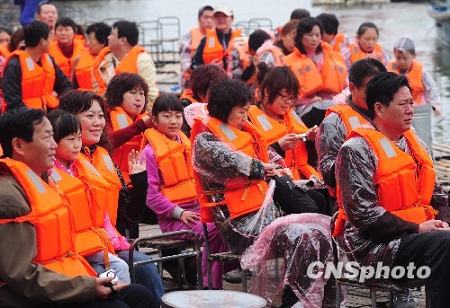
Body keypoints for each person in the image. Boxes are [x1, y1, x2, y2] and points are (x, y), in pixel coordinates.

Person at [191, 79, 334, 307]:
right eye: (241, 112)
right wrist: (262, 168)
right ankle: (295, 298)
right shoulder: (205, 141)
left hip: (266, 210)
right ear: (224, 110)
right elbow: (234, 160)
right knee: (299, 235)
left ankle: (309, 297)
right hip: (239, 223)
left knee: (315, 231)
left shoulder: (247, 132)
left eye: (247, 111)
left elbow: (270, 155)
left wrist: (281, 168)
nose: (245, 117)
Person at [0, 107, 154, 308]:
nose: (54, 145)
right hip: (28, 295)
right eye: (47, 138)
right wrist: (88, 287)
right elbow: (21, 275)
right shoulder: (9, 196)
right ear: (19, 145)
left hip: (62, 279)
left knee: (139, 295)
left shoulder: (43, 181)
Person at [334, 72, 450, 308]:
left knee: (445, 237)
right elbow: (365, 216)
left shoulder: (413, 143)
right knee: (445, 244)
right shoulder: (356, 149)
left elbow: (437, 195)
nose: (411, 109)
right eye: (403, 104)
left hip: (415, 233)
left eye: (411, 102)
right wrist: (418, 228)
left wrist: (444, 221)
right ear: (379, 108)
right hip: (373, 246)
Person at [59, 90, 164, 303]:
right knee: (136, 270)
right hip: (83, 252)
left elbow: (129, 216)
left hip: (109, 243)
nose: (98, 122)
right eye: (90, 116)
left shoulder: (103, 157)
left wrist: (140, 182)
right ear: (70, 120)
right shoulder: (64, 164)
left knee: (144, 266)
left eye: (101, 116)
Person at [142, 94, 228, 289]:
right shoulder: (149, 153)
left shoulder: (188, 144)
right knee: (212, 231)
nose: (173, 121)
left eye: (178, 116)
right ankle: (209, 285)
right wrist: (179, 213)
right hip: (174, 219)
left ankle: (208, 278)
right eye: (166, 116)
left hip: (198, 211)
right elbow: (151, 196)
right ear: (155, 120)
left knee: (228, 227)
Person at [47, 109, 131, 283]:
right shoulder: (46, 174)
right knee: (113, 272)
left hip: (93, 242)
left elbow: (100, 210)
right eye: (71, 139)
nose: (77, 144)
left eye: (78, 138)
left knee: (121, 267)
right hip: (70, 248)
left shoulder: (82, 168)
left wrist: (115, 240)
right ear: (52, 143)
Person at [247, 64, 328, 214]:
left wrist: (310, 140)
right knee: (315, 203)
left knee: (328, 196)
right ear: (266, 92)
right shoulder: (250, 119)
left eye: (291, 99)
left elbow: (309, 157)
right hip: (277, 185)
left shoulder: (292, 115)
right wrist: (278, 147)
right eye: (283, 98)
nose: (288, 103)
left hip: (304, 179)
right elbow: (250, 159)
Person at [317, 58, 386, 200]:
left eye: (380, 89)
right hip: (354, 200)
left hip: (389, 191)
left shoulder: (389, 113)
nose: (376, 95)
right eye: (370, 90)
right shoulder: (334, 123)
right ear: (352, 88)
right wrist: (357, 155)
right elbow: (329, 175)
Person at [283, 17, 347, 128]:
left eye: (317, 35)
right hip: (304, 108)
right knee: (318, 112)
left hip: (333, 104)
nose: (314, 39)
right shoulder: (288, 61)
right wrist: (308, 99)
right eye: (310, 35)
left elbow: (346, 85)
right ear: (300, 36)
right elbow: (285, 93)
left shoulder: (332, 56)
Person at [1, 21, 72, 112]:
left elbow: (66, 86)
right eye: (50, 38)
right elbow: (12, 101)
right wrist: (36, 119)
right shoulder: (15, 64)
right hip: (23, 119)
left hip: (49, 114)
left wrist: (63, 108)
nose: (52, 41)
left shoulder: (49, 60)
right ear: (42, 41)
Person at [93, 20, 158, 106]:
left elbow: (151, 95)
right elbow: (96, 88)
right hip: (106, 110)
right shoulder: (103, 60)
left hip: (135, 113)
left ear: (122, 40)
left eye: (112, 34)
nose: (108, 37)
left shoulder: (142, 60)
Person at [105, 73, 153, 183]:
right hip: (115, 180)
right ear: (118, 95)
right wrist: (140, 125)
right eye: (133, 93)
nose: (139, 98)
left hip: (140, 179)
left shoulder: (149, 120)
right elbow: (108, 141)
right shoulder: (105, 116)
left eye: (142, 94)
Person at [387, 36, 441, 114]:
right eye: (398, 58)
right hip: (396, 110)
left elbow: (431, 89)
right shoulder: (388, 71)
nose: (402, 61)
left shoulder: (422, 73)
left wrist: (436, 104)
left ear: (414, 56)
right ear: (394, 55)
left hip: (417, 109)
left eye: (405, 58)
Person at [191, 5, 242, 71]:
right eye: (217, 16)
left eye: (224, 16)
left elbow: (249, 63)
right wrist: (208, 68)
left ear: (232, 18)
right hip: (213, 79)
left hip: (236, 79)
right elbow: (195, 64)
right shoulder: (205, 40)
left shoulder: (241, 39)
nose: (220, 19)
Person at [49, 17, 94, 90]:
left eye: (67, 30)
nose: (63, 33)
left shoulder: (86, 46)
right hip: (58, 91)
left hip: (82, 92)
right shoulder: (48, 50)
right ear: (55, 32)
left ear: (74, 32)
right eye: (60, 30)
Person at [182, 64, 228, 135]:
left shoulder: (225, 108)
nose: (221, 95)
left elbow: (231, 137)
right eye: (216, 91)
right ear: (200, 93)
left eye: (224, 89)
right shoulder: (184, 113)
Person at [180, 5, 214, 89]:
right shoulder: (189, 37)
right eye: (206, 17)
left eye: (212, 17)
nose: (209, 21)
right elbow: (185, 64)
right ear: (199, 19)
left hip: (213, 78)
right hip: (193, 79)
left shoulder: (217, 36)